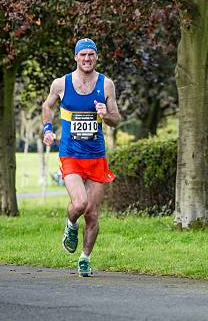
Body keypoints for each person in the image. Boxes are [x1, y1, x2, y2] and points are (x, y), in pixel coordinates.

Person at [42, 38, 121, 277]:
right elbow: (47, 107)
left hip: (96, 156)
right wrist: (47, 129)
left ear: (97, 57)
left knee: (93, 213)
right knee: (80, 204)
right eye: (83, 54)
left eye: (91, 54)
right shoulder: (61, 83)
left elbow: (116, 119)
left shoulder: (106, 85)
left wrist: (106, 115)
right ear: (76, 57)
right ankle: (70, 225)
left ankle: (85, 258)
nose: (87, 58)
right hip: (71, 155)